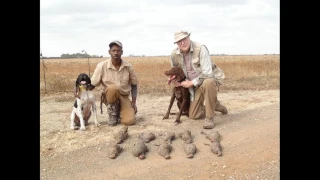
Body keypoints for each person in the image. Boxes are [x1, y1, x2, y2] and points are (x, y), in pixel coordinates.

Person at [169, 31, 228, 129]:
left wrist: (191, 83)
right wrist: (174, 80)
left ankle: (209, 118)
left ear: (189, 37)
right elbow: (175, 71)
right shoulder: (174, 54)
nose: (182, 43)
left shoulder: (201, 49)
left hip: (206, 80)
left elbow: (208, 74)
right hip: (193, 86)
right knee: (193, 115)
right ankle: (214, 105)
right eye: (179, 41)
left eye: (184, 39)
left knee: (208, 82)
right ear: (176, 43)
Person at [90, 40, 138, 126]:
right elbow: (92, 85)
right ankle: (112, 115)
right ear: (109, 52)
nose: (116, 53)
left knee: (129, 121)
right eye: (113, 50)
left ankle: (123, 111)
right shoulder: (101, 66)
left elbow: (134, 85)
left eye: (118, 50)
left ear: (122, 52)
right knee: (113, 88)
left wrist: (133, 103)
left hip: (123, 96)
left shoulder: (128, 66)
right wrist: (79, 89)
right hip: (109, 97)